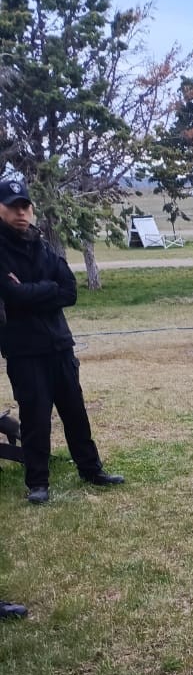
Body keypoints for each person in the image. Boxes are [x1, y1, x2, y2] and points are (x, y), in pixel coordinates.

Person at [0, 174, 123, 504]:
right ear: (1, 210)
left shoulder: (42, 244)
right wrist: (44, 289)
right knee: (35, 418)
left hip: (59, 344)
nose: (20, 213)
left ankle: (91, 469)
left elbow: (68, 291)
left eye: (25, 206)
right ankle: (38, 483)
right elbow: (10, 294)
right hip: (25, 350)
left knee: (75, 412)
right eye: (13, 207)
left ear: (32, 210)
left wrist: (32, 291)